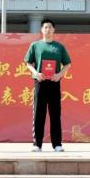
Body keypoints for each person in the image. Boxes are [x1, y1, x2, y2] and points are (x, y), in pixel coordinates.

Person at [25, 18, 72, 152]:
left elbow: (67, 64)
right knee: (38, 114)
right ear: (42, 30)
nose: (48, 29)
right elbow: (28, 63)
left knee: (55, 114)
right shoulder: (35, 45)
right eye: (45, 27)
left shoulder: (59, 47)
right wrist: (35, 73)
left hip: (54, 83)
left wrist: (59, 75)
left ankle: (57, 144)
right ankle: (37, 144)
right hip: (40, 82)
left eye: (50, 27)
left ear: (54, 30)